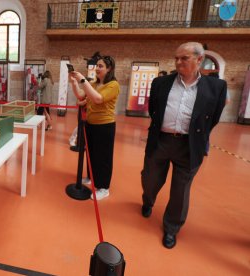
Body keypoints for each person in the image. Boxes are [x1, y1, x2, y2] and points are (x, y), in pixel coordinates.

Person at [141, 42, 227, 249]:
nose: (178, 62)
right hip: (161, 140)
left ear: (199, 59)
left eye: (184, 58)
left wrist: (197, 137)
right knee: (150, 179)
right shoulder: (160, 83)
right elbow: (154, 110)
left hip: (189, 145)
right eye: (176, 58)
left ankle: (172, 228)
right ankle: (148, 201)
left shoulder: (216, 86)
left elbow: (213, 118)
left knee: (181, 190)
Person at [69, 56, 120, 201]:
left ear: (109, 68)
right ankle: (91, 177)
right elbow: (80, 96)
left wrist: (82, 81)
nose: (97, 68)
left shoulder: (113, 85)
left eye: (101, 66)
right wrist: (74, 82)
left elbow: (97, 98)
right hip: (91, 124)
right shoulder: (95, 83)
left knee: (103, 157)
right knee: (91, 154)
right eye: (96, 66)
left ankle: (104, 188)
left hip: (105, 126)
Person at [205, 72, 230, 155]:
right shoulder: (220, 86)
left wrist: (217, 107)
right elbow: (227, 100)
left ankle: (204, 149)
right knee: (206, 132)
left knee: (204, 131)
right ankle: (204, 150)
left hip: (207, 112)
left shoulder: (218, 86)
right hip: (210, 113)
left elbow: (227, 100)